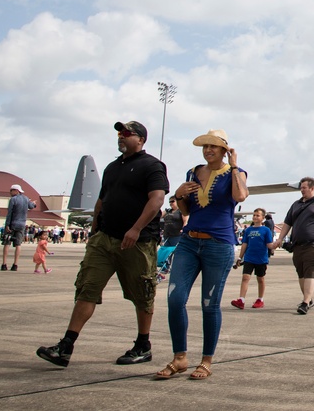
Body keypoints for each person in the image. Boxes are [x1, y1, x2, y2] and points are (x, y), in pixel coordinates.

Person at [36, 120, 168, 368]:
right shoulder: (111, 168)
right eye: (119, 133)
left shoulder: (152, 166)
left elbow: (157, 199)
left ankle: (143, 345)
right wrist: (94, 232)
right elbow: (100, 202)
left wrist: (136, 229)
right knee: (87, 288)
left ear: (140, 139)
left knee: (142, 293)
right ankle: (66, 346)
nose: (121, 137)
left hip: (137, 243)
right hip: (104, 240)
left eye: (127, 133)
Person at [157, 129, 248, 381]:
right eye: (205, 146)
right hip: (189, 241)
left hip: (218, 245)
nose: (208, 150)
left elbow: (240, 196)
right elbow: (186, 207)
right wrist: (178, 194)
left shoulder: (235, 173)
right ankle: (179, 357)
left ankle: (206, 360)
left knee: (209, 304)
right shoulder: (193, 172)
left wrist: (235, 166)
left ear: (224, 150)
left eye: (213, 146)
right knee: (175, 299)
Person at [271, 177, 314, 315]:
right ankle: (308, 299)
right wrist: (280, 239)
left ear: (312, 188)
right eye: (301, 188)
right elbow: (287, 223)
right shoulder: (296, 205)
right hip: (298, 245)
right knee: (301, 273)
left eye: (304, 188)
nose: (301, 190)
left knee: (311, 271)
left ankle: (305, 302)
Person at [231, 207, 273, 310]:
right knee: (245, 277)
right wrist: (240, 257)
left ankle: (260, 299)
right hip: (249, 258)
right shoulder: (248, 230)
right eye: (254, 215)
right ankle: (241, 300)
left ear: (263, 218)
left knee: (260, 279)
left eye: (257, 215)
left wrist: (275, 246)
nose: (255, 217)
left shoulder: (266, 230)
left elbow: (269, 244)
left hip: (261, 259)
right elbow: (245, 244)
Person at [1, 184, 37, 271]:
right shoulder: (26, 198)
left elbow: (10, 213)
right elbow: (31, 206)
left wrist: (7, 225)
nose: (10, 192)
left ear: (16, 191)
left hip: (12, 223)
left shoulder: (13, 199)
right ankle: (15, 264)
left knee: (7, 243)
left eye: (11, 190)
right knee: (18, 244)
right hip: (22, 224)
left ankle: (4, 264)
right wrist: (34, 204)